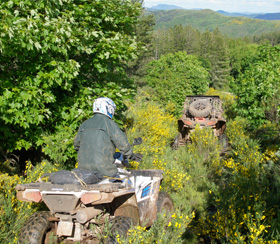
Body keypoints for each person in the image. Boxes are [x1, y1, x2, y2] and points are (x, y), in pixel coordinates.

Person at [74, 97, 134, 177]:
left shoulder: (84, 124)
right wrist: (131, 155)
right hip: (105, 171)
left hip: (83, 171)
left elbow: (76, 146)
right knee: (123, 180)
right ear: (109, 109)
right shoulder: (109, 123)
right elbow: (123, 144)